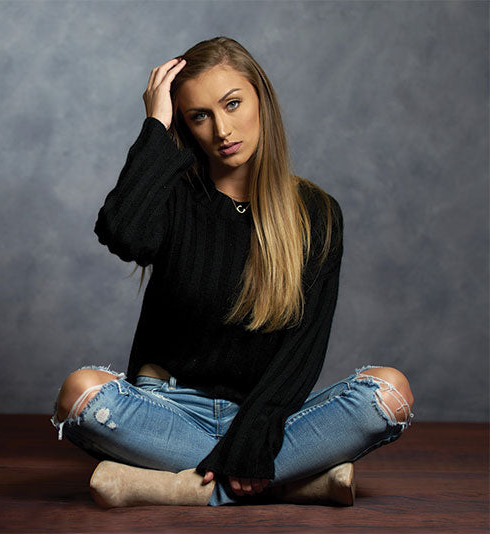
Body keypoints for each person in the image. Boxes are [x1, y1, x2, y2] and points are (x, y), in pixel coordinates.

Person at [49, 36, 415, 507]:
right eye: (199, 116)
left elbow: (304, 350)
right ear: (185, 124)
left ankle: (178, 486)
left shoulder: (317, 213)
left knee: (390, 394)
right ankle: (286, 482)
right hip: (169, 410)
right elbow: (121, 232)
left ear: (261, 99)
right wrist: (156, 125)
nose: (222, 130)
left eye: (233, 103)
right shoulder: (174, 198)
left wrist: (255, 436)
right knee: (80, 395)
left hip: (271, 417)